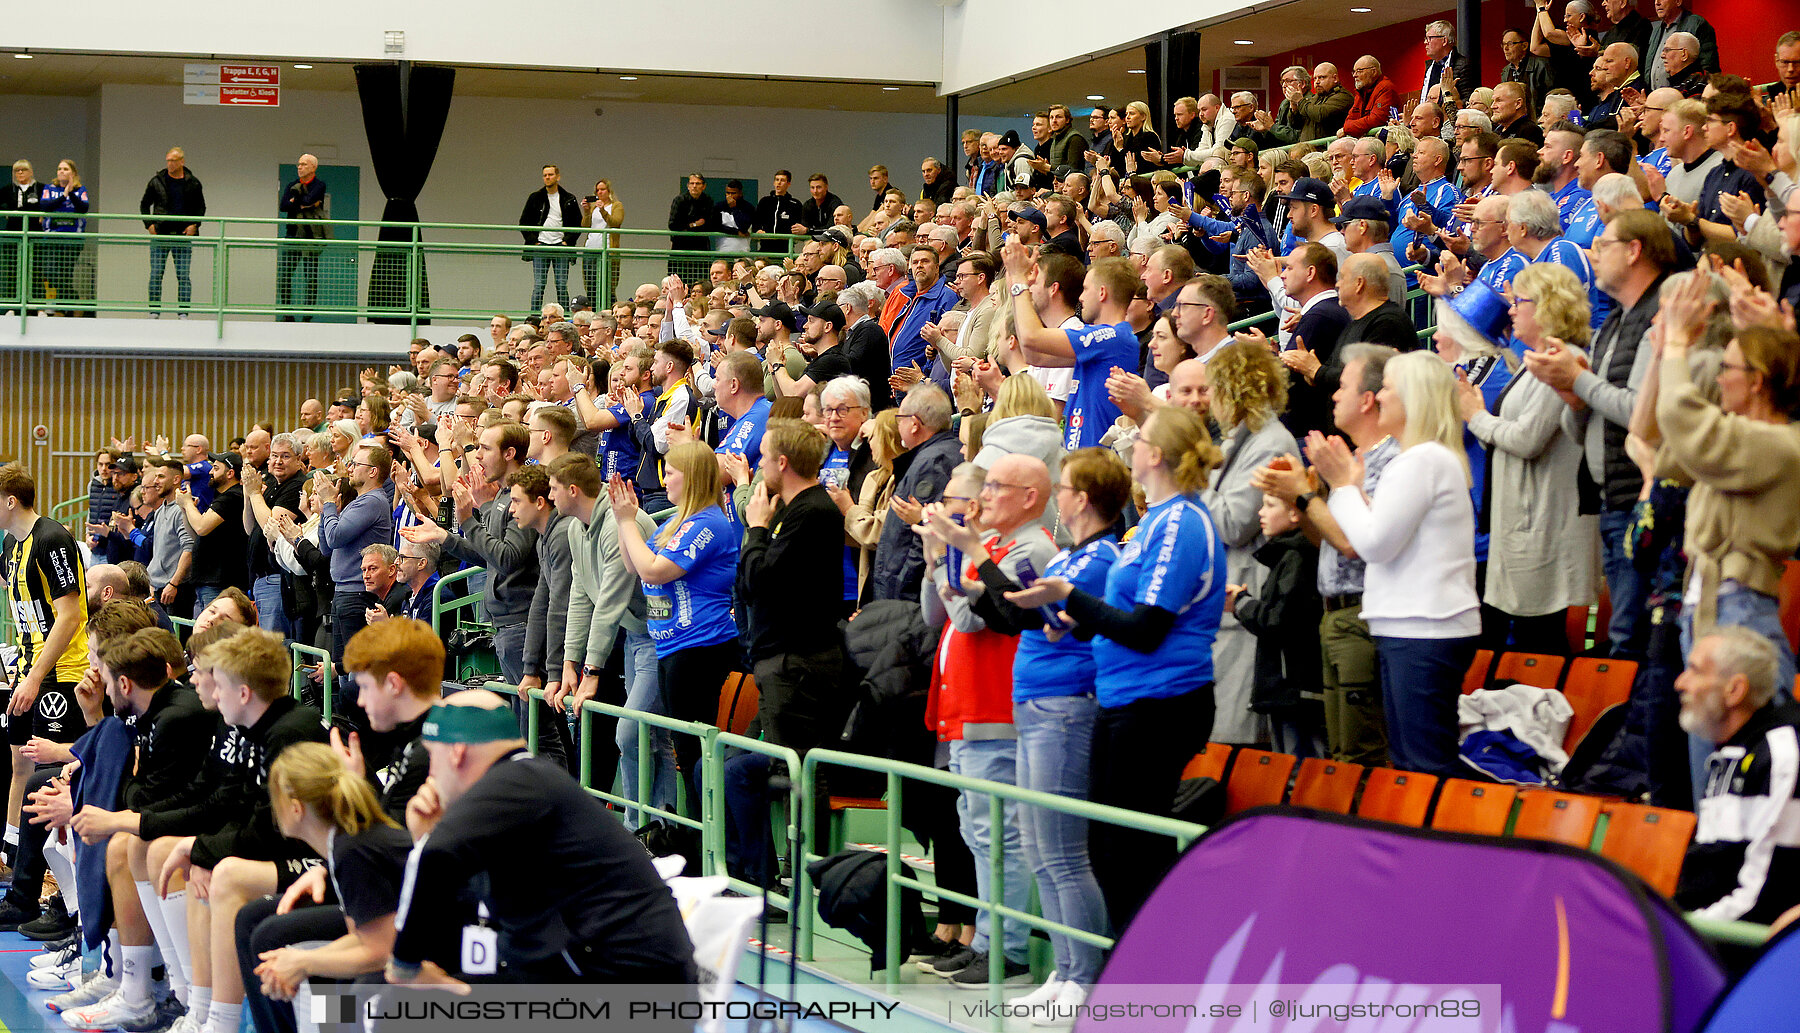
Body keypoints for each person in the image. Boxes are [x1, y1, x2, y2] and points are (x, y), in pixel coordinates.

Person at [1006, 405, 1225, 930]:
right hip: (1124, 696)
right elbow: (1111, 616)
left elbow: (1146, 629)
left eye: (1140, 436)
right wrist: (1069, 616)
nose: (1131, 441)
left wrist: (1070, 597)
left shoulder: (1181, 523)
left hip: (1161, 700)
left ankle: (1141, 975)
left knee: (1128, 849)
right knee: (1105, 845)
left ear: (1156, 454)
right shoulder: (1154, 521)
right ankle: (1109, 972)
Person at [386, 690, 695, 991]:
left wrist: (405, 966)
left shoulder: (516, 782)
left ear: (456, 753)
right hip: (605, 973)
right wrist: (424, 836)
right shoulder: (526, 784)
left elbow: (437, 857)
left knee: (391, 1009)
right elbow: (468, 903)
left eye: (432, 757)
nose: (431, 774)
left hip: (625, 987)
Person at [1309, 352, 1479, 778]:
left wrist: (1344, 486)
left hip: (1423, 628)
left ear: (1413, 398)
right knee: (1409, 762)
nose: (1378, 395)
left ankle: (1446, 842)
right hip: (1412, 625)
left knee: (1423, 764)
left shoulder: (1421, 460)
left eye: (1388, 387)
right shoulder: (1424, 459)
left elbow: (1374, 544)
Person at [1524, 207, 1671, 657]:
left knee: (1631, 640)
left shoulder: (1660, 318)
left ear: (1633, 251)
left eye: (1602, 246)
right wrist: (1571, 397)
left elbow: (1640, 412)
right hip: (1610, 498)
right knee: (1624, 636)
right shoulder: (1612, 322)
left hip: (1644, 502)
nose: (1592, 254)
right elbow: (1586, 418)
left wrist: (1579, 381)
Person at [1254, 343, 1400, 766]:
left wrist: (1303, 497)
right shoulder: (1352, 459)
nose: (1333, 394)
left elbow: (1357, 545)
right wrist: (1301, 501)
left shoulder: (1389, 461)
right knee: (1338, 753)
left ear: (1368, 400)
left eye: (1345, 386)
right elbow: (1331, 544)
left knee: (1361, 753)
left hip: (1362, 614)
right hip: (1333, 613)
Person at [1655, 278, 1800, 696]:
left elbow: (1681, 418)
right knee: (1710, 760)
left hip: (1739, 614)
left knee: (1733, 758)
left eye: (1727, 369)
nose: (1718, 379)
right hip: (1709, 607)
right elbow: (1660, 443)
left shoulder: (1777, 445)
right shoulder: (1740, 437)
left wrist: (1679, 345)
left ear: (1756, 382)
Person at [1455, 264, 1599, 654]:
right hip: (1523, 520)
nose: (1511, 310)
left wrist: (1477, 417)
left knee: (1539, 646)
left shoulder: (1563, 360)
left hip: (1544, 524)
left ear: (1548, 307)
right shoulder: (1538, 360)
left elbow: (1528, 438)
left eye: (1519, 301)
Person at [727, 420, 847, 887]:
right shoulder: (789, 510)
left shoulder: (811, 512)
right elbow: (749, 582)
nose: (756, 466)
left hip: (799, 666)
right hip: (780, 661)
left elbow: (762, 581)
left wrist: (756, 529)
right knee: (733, 769)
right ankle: (757, 878)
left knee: (800, 773)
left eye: (762, 457)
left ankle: (808, 879)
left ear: (782, 462)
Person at [608, 442, 739, 814]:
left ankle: (707, 843)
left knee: (694, 753)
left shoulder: (708, 523)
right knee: (684, 749)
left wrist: (627, 522)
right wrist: (624, 520)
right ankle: (698, 838)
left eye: (672, 470)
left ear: (693, 476)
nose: (665, 478)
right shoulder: (676, 521)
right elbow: (633, 564)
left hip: (699, 648)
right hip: (672, 649)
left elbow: (652, 570)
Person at [1672, 627, 1800, 923]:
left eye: (1695, 670)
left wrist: (1679, 933)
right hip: (1705, 931)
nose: (1680, 682)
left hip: (1743, 948)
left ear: (1735, 690)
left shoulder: (1781, 753)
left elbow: (1763, 897)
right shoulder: (1726, 755)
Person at [0, 464, 90, 856]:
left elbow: (69, 615)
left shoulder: (51, 538)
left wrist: (36, 677)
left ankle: (55, 871)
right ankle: (13, 853)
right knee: (20, 763)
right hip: (26, 670)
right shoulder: (10, 545)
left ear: (10, 500)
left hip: (59, 674)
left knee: (52, 772)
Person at [1003, 246, 1139, 450]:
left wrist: (1020, 281)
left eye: (1085, 289)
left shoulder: (1115, 336)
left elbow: (1032, 338)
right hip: (1080, 455)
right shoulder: (1104, 339)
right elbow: (1034, 356)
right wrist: (1015, 286)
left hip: (1097, 460)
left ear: (1102, 293)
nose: (1081, 297)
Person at [139, 147, 206, 317]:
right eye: (168, 160)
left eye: (173, 160)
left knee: (183, 275)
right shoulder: (157, 181)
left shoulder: (193, 183)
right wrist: (149, 225)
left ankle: (183, 312)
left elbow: (201, 207)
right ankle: (154, 311)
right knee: (155, 274)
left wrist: (195, 225)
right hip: (160, 233)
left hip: (182, 235)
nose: (170, 164)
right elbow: (144, 204)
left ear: (182, 162)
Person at [276, 154, 327, 321]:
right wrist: (304, 203)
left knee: (310, 277)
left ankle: (307, 315)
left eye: (304, 164)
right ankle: (287, 313)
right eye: (298, 164)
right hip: (292, 234)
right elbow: (284, 205)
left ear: (313, 168)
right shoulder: (292, 185)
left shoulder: (319, 185)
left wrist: (298, 200)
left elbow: (310, 198)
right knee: (285, 275)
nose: (299, 167)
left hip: (311, 237)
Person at [36, 159, 88, 316]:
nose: (61, 171)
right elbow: (45, 206)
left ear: (73, 173)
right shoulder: (49, 188)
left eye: (65, 169)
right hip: (52, 237)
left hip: (72, 239)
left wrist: (70, 192)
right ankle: (74, 301)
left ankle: (60, 308)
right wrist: (63, 195)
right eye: (59, 169)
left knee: (65, 273)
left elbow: (83, 208)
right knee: (51, 271)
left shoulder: (80, 190)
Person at [579, 178, 624, 305]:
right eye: (597, 190)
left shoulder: (616, 205)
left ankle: (609, 310)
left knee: (607, 284)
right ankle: (593, 311)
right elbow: (585, 226)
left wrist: (603, 211)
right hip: (591, 248)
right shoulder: (593, 206)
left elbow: (616, 222)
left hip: (608, 250)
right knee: (591, 284)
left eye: (602, 189)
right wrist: (587, 211)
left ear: (609, 191)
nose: (600, 192)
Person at [666, 172, 713, 280]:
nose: (694, 186)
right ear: (688, 186)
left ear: (704, 186)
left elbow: (709, 224)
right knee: (677, 280)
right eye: (692, 183)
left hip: (701, 248)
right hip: (680, 248)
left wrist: (688, 225)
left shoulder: (708, 201)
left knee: (701, 281)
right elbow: (673, 225)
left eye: (698, 183)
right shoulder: (679, 200)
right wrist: (694, 224)